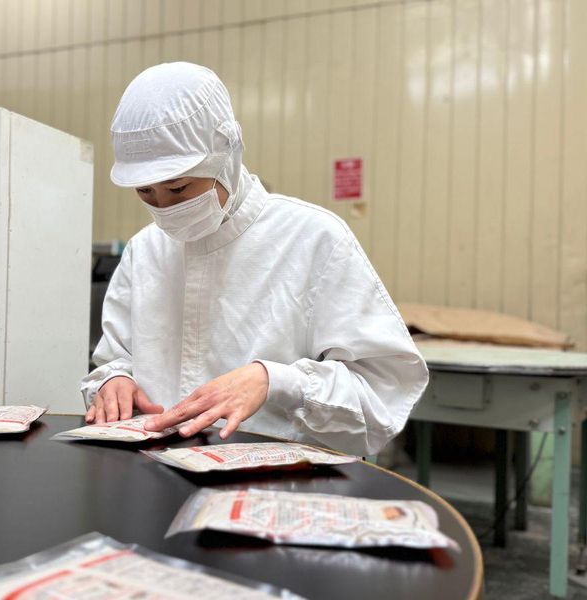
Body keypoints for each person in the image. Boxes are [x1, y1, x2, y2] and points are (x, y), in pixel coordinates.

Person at [80, 62, 428, 456]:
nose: (164, 208)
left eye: (178, 189)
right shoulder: (145, 250)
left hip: (282, 482)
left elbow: (383, 392)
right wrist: (114, 381)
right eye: (146, 192)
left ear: (225, 155)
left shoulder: (313, 239)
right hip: (152, 471)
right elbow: (114, 359)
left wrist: (275, 382)